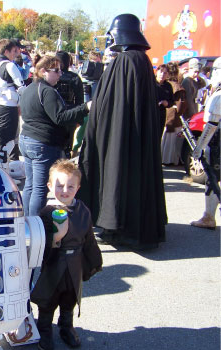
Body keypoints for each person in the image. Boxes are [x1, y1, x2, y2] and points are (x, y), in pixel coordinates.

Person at [78, 13, 167, 250]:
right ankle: (136, 228)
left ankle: (119, 227)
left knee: (118, 175)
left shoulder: (124, 61)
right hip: (137, 135)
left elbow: (107, 103)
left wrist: (97, 127)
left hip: (120, 134)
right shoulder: (143, 61)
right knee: (135, 177)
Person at [30, 159, 102, 350]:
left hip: (75, 263)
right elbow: (41, 245)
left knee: (69, 298)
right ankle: (44, 330)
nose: (65, 190)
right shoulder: (46, 213)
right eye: (59, 185)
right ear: (50, 186)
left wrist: (94, 261)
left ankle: (66, 327)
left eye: (70, 186)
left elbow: (89, 239)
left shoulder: (83, 211)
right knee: (49, 300)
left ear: (78, 188)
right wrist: (57, 237)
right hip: (55, 263)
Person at [19, 55, 89, 216]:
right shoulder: (47, 91)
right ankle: (35, 225)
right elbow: (60, 117)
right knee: (39, 188)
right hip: (41, 143)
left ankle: (27, 223)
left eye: (60, 70)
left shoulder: (30, 88)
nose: (60, 74)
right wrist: (84, 108)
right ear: (43, 71)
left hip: (28, 140)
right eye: (56, 70)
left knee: (31, 185)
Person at [190, 56, 221, 229]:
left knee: (212, 180)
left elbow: (211, 126)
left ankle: (209, 216)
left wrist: (199, 147)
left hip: (217, 145)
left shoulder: (218, 97)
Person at [0, 39, 25, 174]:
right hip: (7, 107)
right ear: (6, 51)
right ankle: (4, 174)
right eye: (14, 51)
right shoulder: (9, 66)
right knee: (8, 141)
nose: (16, 54)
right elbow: (21, 87)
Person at [54, 51, 84, 157]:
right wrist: (79, 118)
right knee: (67, 145)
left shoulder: (51, 76)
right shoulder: (74, 77)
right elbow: (80, 100)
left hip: (55, 112)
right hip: (69, 112)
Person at [161, 62, 186, 165]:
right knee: (172, 142)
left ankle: (163, 159)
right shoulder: (178, 87)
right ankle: (169, 160)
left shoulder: (165, 84)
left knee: (164, 140)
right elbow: (181, 106)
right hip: (174, 118)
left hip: (164, 115)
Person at [155, 64, 174, 137]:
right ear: (157, 72)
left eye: (165, 73)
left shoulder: (168, 86)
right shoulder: (150, 83)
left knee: (158, 135)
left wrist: (167, 103)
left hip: (161, 113)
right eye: (161, 72)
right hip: (150, 113)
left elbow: (172, 101)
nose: (162, 74)